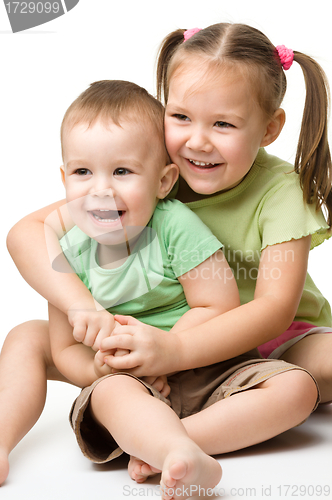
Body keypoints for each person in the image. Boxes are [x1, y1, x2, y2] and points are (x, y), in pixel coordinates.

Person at [3, 24, 322, 487]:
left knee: (303, 382)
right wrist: (86, 315)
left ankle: (171, 442)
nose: (197, 142)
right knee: (27, 339)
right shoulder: (132, 181)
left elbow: (267, 311)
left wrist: (171, 351)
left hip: (263, 339)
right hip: (137, 351)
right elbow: (26, 235)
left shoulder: (254, 192)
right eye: (181, 117)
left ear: (269, 128)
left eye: (224, 123)